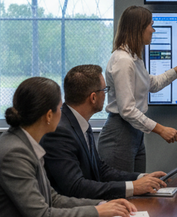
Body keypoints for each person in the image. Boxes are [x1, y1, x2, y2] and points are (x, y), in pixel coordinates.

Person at [0, 77, 136, 217]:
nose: (62, 112)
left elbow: (53, 199)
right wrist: (97, 213)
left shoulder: (26, 143)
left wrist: (102, 205)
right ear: (49, 116)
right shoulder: (15, 152)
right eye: (60, 108)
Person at [98, 5, 177, 173]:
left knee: (138, 190)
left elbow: (152, 84)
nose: (153, 30)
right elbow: (128, 110)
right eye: (150, 25)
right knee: (123, 192)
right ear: (138, 28)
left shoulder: (134, 58)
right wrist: (161, 130)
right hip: (120, 134)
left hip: (134, 133)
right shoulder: (123, 61)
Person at [42, 64, 168, 200]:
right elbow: (75, 187)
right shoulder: (60, 132)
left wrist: (141, 177)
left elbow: (100, 170)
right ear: (93, 97)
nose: (106, 94)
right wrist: (133, 187)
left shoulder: (80, 122)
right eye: (104, 90)